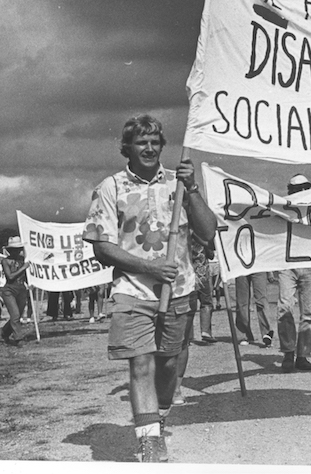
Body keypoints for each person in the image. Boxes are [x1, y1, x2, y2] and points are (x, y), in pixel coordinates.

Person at [83, 114, 217, 462]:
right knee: (141, 363)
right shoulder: (109, 187)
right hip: (131, 291)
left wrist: (193, 191)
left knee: (169, 365)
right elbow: (101, 245)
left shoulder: (178, 184)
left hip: (179, 289)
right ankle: (149, 442)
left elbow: (208, 231)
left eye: (155, 142)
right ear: (126, 148)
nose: (149, 148)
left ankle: (158, 414)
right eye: (141, 142)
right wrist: (148, 266)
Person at [276, 174, 311, 373]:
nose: (301, 192)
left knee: (308, 313)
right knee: (285, 307)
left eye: (304, 187)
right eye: (297, 188)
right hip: (287, 264)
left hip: (310, 264)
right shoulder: (282, 210)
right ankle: (287, 352)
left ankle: (302, 355)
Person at [0, 236, 30, 346]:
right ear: (10, 250)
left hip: (21, 289)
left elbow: (26, 275)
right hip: (9, 290)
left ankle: (5, 332)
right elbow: (10, 276)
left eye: (19, 249)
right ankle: (18, 338)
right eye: (14, 249)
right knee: (16, 315)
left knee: (16, 316)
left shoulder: (23, 260)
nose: (17, 251)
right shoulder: (5, 261)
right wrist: (23, 268)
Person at [191, 237, 217, 343]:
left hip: (188, 275)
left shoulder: (185, 237)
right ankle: (205, 331)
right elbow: (211, 256)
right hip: (203, 276)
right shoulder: (204, 238)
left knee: (188, 306)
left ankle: (187, 335)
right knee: (206, 303)